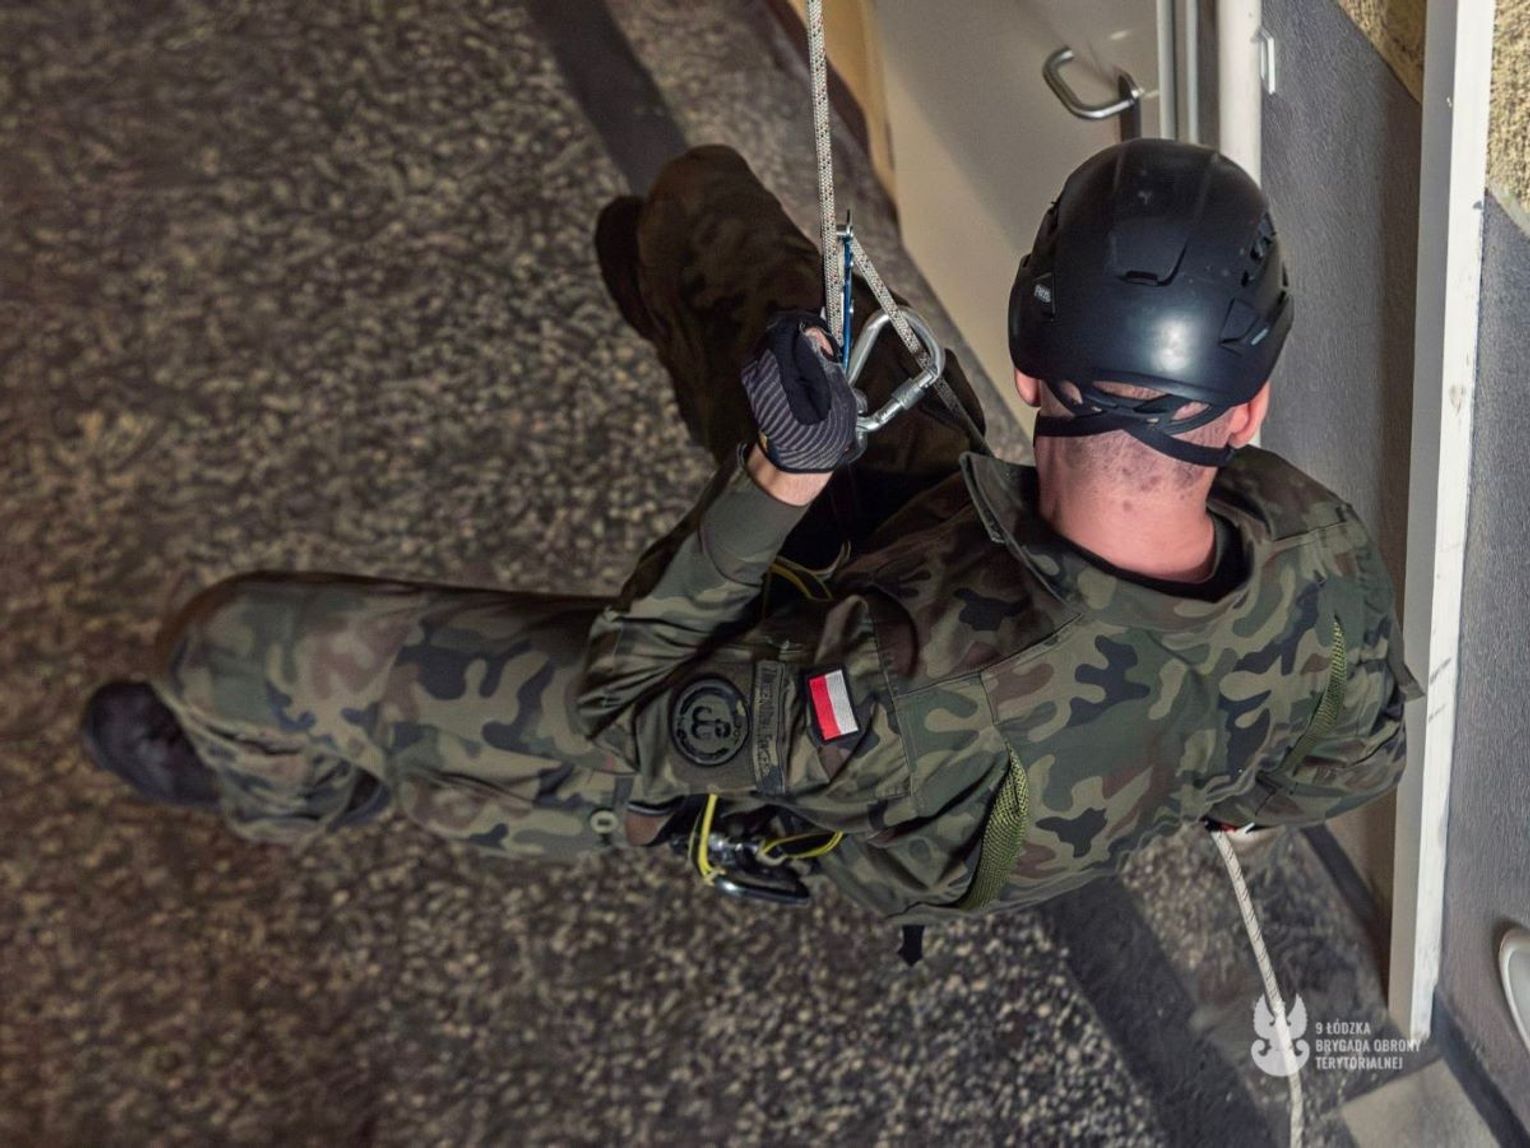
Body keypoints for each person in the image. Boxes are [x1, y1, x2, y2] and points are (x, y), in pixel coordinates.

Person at [81, 141, 1420, 925]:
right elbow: (1353, 761)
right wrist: (1197, 787)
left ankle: (293, 782)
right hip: (955, 547)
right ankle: (683, 313)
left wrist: (781, 475)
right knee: (704, 209)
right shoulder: (1312, 547)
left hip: (782, 724)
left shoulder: (903, 692)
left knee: (234, 647)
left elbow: (626, 705)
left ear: (1026, 367)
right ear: (1246, 409)